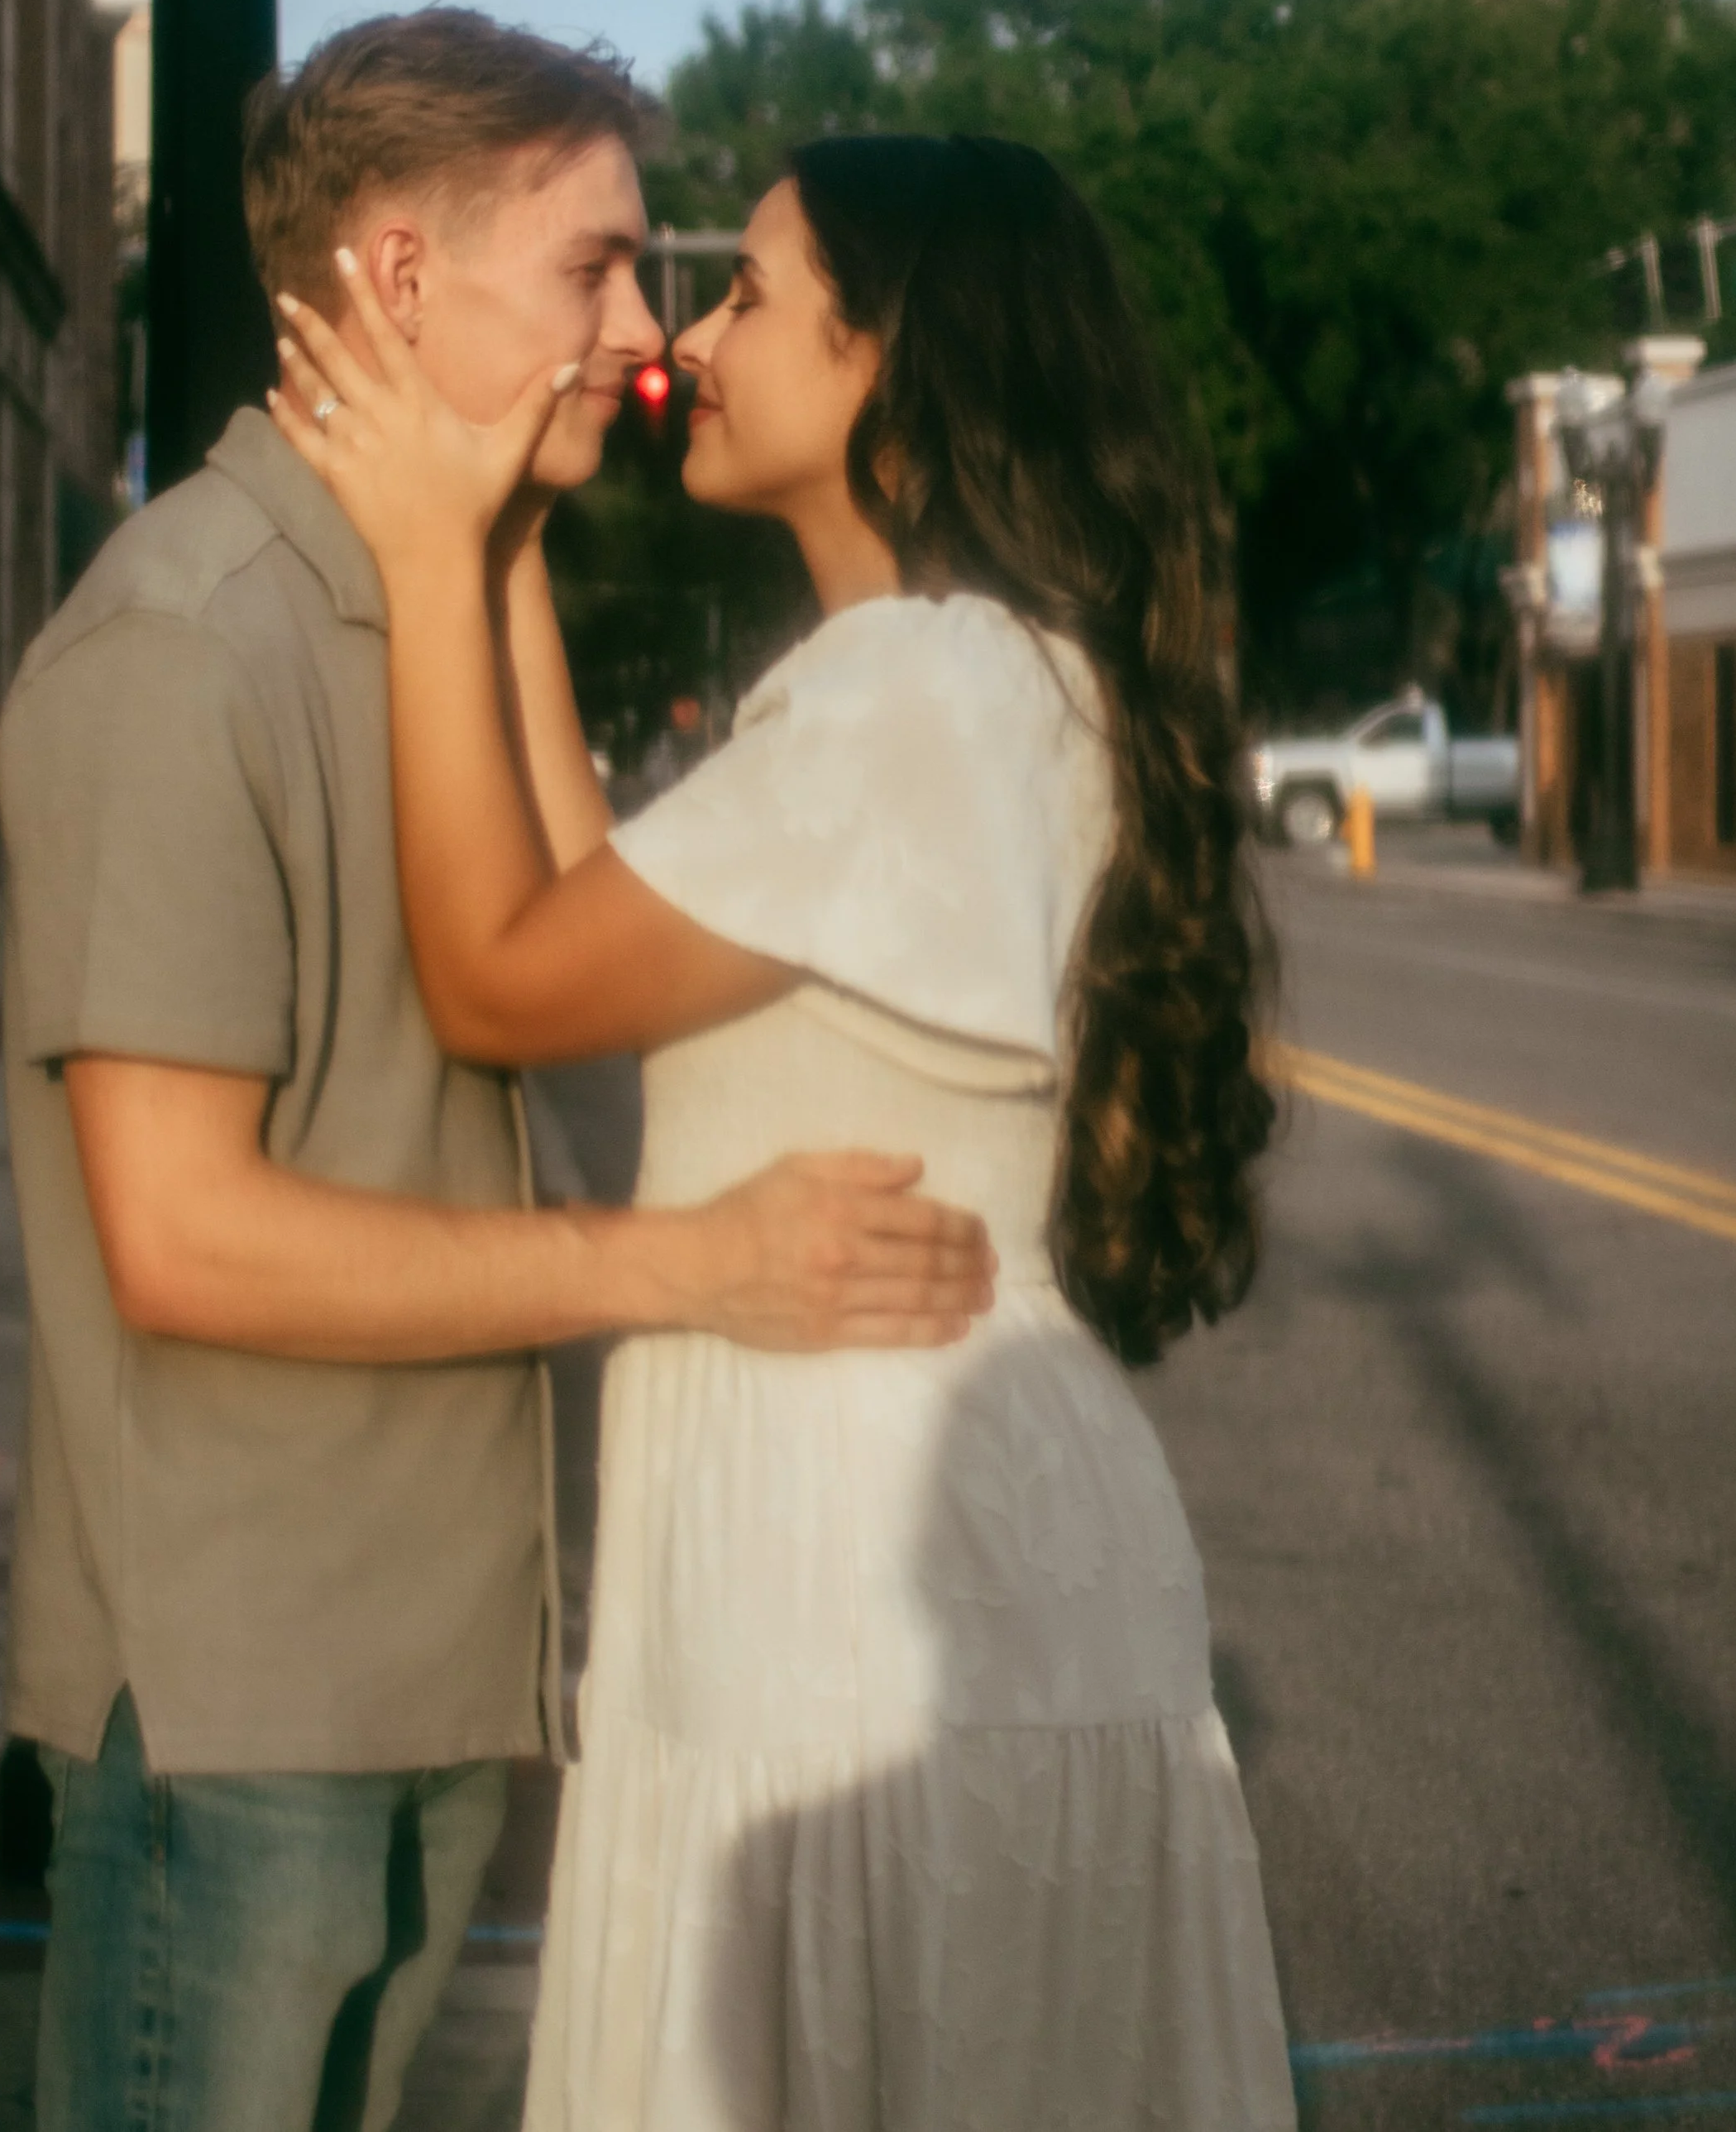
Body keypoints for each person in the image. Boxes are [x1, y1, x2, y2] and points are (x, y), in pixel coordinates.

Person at [0, 14, 994, 2132]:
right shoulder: (189, 641)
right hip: (239, 1708)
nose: (644, 335)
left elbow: (562, 958)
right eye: (595, 268)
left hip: (439, 1668)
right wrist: (680, 1267)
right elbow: (175, 1238)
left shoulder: (417, 610)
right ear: (396, 279)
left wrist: (488, 548)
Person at [270, 128, 1298, 2130]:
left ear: (891, 367)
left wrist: (409, 558)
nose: (688, 339)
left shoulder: (912, 694)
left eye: (746, 293)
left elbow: (494, 975)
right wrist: (497, 555)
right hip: (947, 1589)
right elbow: (591, 911)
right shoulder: (953, 680)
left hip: (858, 1620)